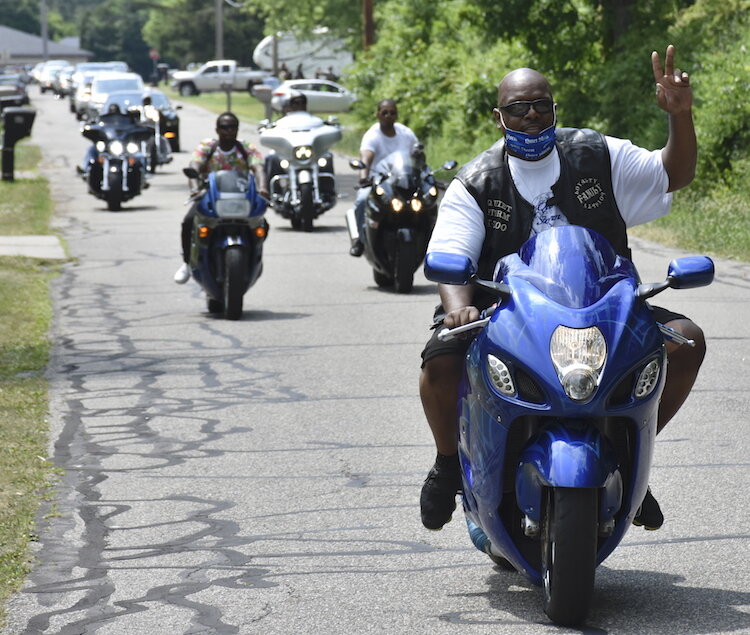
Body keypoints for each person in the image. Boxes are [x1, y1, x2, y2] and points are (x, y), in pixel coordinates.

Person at [418, 45, 702, 532]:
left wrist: (680, 117)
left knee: (686, 341)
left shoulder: (599, 155)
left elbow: (673, 174)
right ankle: (447, 464)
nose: (531, 115)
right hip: (508, 315)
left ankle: (628, 450)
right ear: (498, 116)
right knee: (441, 361)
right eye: (517, 107)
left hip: (607, 310)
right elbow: (452, 260)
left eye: (540, 104)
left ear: (554, 107)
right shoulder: (475, 182)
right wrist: (459, 309)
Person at [173, 112, 268, 284]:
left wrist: (262, 188)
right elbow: (194, 165)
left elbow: (259, 169)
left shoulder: (246, 148)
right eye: (224, 127)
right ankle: (187, 262)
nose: (229, 131)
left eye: (233, 127)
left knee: (261, 224)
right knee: (188, 222)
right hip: (210, 198)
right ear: (217, 129)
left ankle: (254, 258)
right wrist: (195, 188)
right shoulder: (208, 147)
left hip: (241, 199)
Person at [349, 99, 419, 256]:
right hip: (379, 183)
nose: (388, 115)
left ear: (396, 115)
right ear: (378, 115)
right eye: (384, 112)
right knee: (361, 200)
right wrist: (363, 176)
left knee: (428, 201)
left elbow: (417, 155)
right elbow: (366, 158)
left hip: (404, 181)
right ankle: (360, 240)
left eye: (392, 112)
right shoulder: (372, 136)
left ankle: (433, 242)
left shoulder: (406, 134)